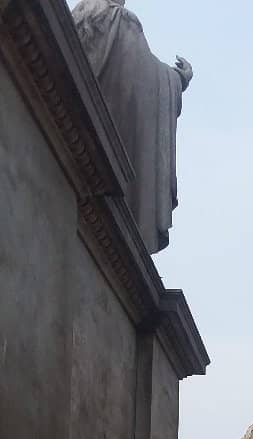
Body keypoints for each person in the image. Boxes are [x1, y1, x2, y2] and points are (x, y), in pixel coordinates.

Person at [72, 0, 193, 254]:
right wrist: (179, 79)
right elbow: (146, 81)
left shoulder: (78, 17)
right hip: (108, 177)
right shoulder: (122, 21)